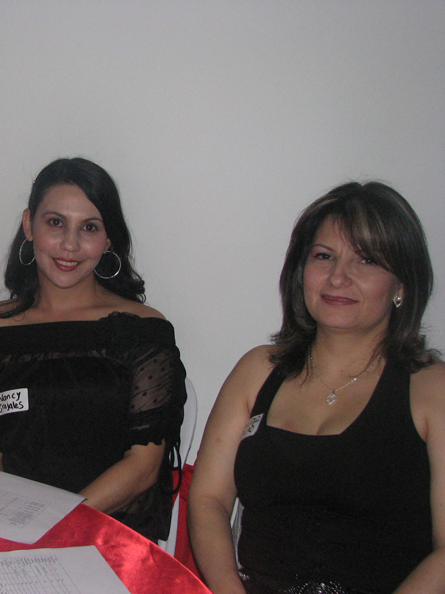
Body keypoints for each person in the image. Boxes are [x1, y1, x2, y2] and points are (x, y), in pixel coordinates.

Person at [188, 182, 445, 593]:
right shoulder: (257, 370)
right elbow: (208, 500)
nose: (338, 277)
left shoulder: (432, 388)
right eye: (324, 256)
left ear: (402, 285)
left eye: (366, 260)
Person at [0, 157, 187, 541]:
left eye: (90, 228)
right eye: (55, 222)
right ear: (28, 225)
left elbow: (143, 467)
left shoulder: (144, 330)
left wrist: (53, 526)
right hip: (13, 534)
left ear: (109, 239)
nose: (70, 244)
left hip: (111, 536)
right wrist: (14, 531)